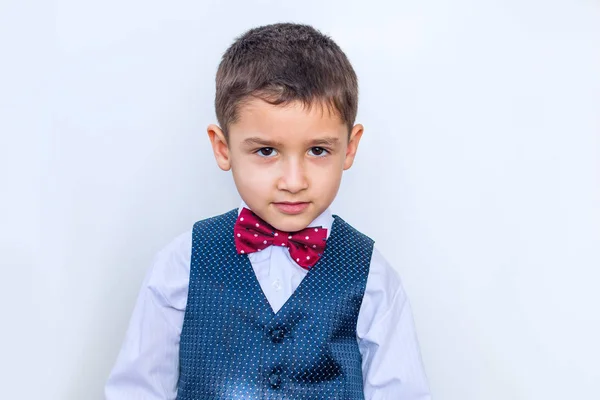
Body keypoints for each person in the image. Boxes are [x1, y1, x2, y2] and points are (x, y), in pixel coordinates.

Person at [105, 22, 431, 399]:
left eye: (318, 150)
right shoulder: (181, 263)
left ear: (350, 146)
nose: (293, 181)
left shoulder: (373, 276)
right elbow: (137, 390)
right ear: (223, 147)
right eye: (266, 151)